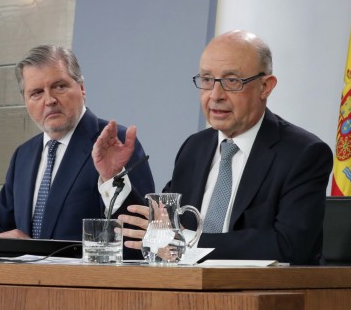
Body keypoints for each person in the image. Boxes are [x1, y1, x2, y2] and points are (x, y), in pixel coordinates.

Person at [92, 30, 333, 265]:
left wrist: (186, 242)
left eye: (231, 81)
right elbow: (155, 230)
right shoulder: (194, 148)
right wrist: (114, 178)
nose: (215, 95)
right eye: (207, 80)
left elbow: (290, 246)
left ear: (265, 87)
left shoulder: (303, 153)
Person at [0, 45, 155, 245]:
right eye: (36, 93)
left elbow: (139, 234)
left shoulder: (113, 142)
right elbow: (1, 226)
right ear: (25, 100)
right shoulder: (24, 154)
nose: (49, 100)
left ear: (81, 88)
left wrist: (110, 178)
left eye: (59, 86)